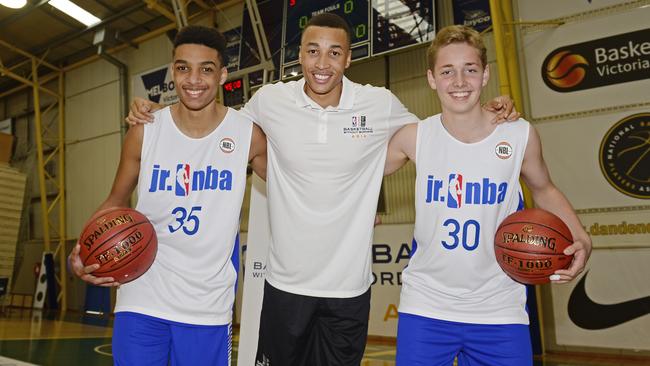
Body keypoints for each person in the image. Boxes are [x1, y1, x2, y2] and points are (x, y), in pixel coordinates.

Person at [125, 14, 518, 366]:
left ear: (348, 59)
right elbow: (212, 128)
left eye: (334, 53)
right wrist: (155, 115)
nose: (322, 63)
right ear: (300, 56)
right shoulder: (270, 101)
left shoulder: (378, 103)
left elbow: (441, 136)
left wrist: (490, 112)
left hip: (348, 290)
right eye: (313, 51)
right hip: (285, 285)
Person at [384, 25, 592, 365]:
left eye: (470, 69)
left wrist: (582, 238)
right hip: (426, 305)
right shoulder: (414, 137)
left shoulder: (519, 134)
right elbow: (359, 175)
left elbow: (544, 189)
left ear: (486, 75)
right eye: (447, 71)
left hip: (500, 307)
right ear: (432, 79)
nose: (460, 81)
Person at [68, 25, 267, 365]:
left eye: (206, 69)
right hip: (142, 294)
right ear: (172, 71)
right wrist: (82, 247)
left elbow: (293, 185)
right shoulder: (145, 130)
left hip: (207, 304)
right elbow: (115, 201)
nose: (193, 79)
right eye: (183, 67)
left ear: (222, 75)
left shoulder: (247, 134)